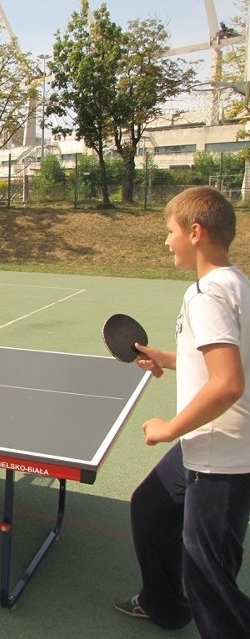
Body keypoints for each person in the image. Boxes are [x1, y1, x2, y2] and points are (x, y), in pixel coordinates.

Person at [114, 186, 250, 638]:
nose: (165, 241)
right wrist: (167, 358)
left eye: (168, 231)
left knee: (210, 583)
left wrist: (168, 428)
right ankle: (165, 607)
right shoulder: (236, 282)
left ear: (195, 232)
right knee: (151, 508)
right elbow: (217, 357)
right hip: (213, 444)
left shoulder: (205, 294)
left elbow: (228, 381)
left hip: (220, 457)